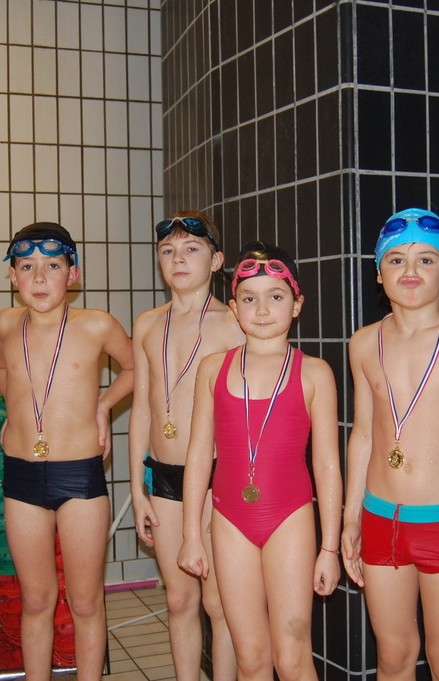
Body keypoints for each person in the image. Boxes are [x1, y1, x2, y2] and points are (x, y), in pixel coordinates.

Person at [177, 242, 342, 681]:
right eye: (249, 299)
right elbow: (199, 455)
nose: (263, 310)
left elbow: (327, 464)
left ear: (297, 304)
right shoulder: (213, 368)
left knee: (291, 656)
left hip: (290, 519)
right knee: (250, 657)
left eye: (276, 297)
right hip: (229, 519)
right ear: (234, 308)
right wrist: (191, 534)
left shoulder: (315, 373)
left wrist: (329, 548)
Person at [0, 222, 134, 681]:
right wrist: (17, 410)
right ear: (12, 275)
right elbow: (1, 370)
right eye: (26, 266)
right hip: (22, 476)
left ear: (72, 275)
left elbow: (135, 367)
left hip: (79, 476)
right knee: (35, 599)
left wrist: (103, 405)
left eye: (52, 266)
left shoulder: (96, 324)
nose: (38, 278)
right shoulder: (6, 323)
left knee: (86, 600)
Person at [341, 209, 439, 681]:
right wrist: (350, 516)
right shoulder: (362, 343)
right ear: (379, 274)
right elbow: (363, 434)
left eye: (426, 260)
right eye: (396, 260)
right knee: (393, 656)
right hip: (380, 518)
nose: (410, 271)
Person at [129, 212, 243, 681]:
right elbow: (141, 408)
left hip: (216, 479)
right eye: (168, 251)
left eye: (191, 249)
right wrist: (137, 489)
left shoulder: (234, 323)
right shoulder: (147, 324)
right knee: (179, 599)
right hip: (163, 477)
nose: (178, 259)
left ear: (216, 261)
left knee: (219, 603)